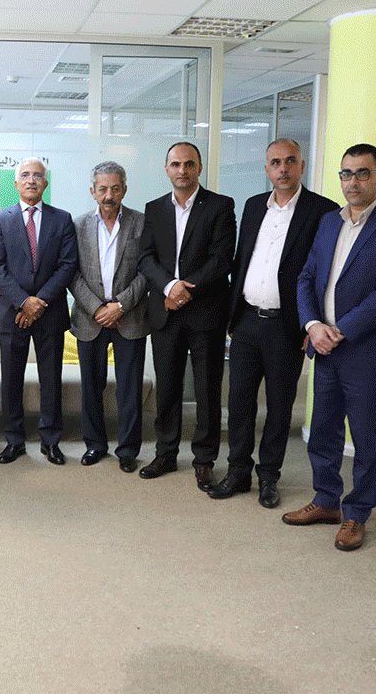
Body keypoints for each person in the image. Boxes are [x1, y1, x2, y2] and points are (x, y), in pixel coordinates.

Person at [286, 144, 376, 552]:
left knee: (365, 438)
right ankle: (327, 500)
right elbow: (307, 277)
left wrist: (338, 330)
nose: (353, 181)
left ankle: (357, 513)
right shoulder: (330, 222)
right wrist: (313, 325)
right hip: (324, 348)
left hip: (368, 352)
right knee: (322, 432)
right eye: (346, 173)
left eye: (362, 173)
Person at [212, 139, 338, 507]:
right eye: (275, 162)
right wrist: (232, 316)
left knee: (279, 406)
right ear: (267, 169)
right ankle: (238, 472)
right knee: (238, 402)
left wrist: (311, 323)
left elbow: (325, 274)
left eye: (290, 161)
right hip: (247, 321)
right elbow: (242, 260)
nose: (283, 169)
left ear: (302, 166)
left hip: (288, 326)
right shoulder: (254, 206)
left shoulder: (323, 211)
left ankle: (269, 476)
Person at [137, 141, 236, 489]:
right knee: (167, 388)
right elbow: (145, 257)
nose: (182, 170)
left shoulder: (221, 206)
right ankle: (165, 453)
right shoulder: (154, 209)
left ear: (199, 168)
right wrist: (169, 287)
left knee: (207, 390)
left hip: (205, 311)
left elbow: (222, 259)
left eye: (189, 164)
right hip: (165, 312)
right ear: (167, 169)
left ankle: (204, 460)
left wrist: (184, 290)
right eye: (176, 164)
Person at [0, 158, 78, 464]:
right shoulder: (1, 220)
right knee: (11, 380)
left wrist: (39, 301)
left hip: (49, 312)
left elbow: (68, 265)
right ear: (16, 184)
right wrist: (23, 301)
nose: (31, 180)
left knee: (50, 380)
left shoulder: (62, 219)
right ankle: (14, 441)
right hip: (12, 312)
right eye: (25, 175)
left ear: (45, 183)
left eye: (37, 176)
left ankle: (50, 441)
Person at [69, 161, 148, 472]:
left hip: (130, 316)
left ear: (124, 190)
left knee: (130, 389)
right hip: (90, 318)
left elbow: (147, 270)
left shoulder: (142, 223)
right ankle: (95, 445)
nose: (109, 195)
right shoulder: (77, 225)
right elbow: (72, 272)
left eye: (115, 188)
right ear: (93, 191)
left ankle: (127, 450)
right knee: (91, 387)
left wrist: (120, 305)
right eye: (102, 189)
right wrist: (97, 308)